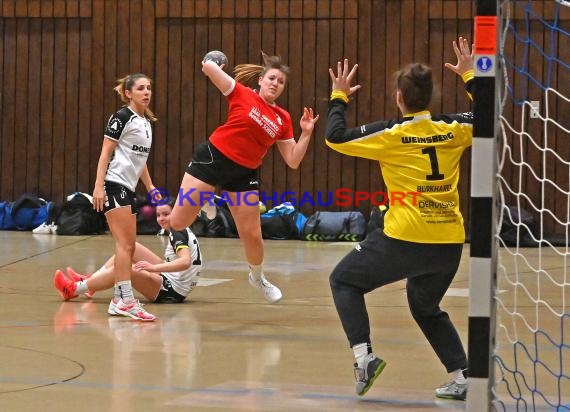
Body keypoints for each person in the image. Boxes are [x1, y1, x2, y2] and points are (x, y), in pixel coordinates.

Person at [326, 37, 474, 400]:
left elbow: (335, 138)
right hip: (449, 241)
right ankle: (462, 374)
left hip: (405, 237)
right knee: (425, 306)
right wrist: (471, 74)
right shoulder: (456, 129)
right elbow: (489, 115)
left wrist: (339, 96)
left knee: (343, 281)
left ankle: (364, 359)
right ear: (431, 97)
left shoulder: (393, 134)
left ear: (398, 97)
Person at [169, 51, 320, 304]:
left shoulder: (282, 118)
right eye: (272, 78)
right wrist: (215, 61)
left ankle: (257, 277)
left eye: (281, 82)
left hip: (244, 172)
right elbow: (207, 66)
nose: (275, 84)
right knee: (177, 221)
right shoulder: (241, 93)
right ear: (261, 80)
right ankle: (210, 200)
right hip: (212, 159)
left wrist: (306, 133)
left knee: (252, 234)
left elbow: (293, 160)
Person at [91, 73, 160, 321]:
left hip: (127, 188)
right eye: (140, 88)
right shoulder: (122, 117)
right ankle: (124, 300)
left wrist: (150, 186)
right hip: (114, 184)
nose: (146, 92)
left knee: (128, 246)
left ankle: (121, 299)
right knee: (125, 244)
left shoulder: (146, 123)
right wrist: (98, 186)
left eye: (149, 88)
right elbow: (105, 152)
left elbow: (139, 160)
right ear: (129, 93)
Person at [54, 200, 203, 309]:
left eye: (166, 214)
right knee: (131, 247)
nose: (161, 218)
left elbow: (185, 262)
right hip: (175, 280)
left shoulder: (177, 232)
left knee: (122, 269)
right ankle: (92, 282)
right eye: (158, 215)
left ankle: (72, 289)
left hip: (172, 291)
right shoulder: (179, 227)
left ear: (175, 213)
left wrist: (152, 268)